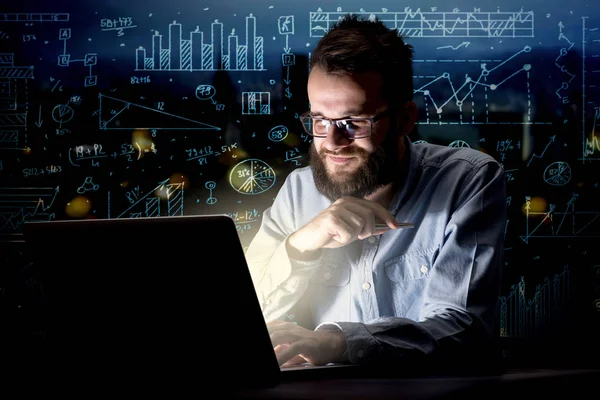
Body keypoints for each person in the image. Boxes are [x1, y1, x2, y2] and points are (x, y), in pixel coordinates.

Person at [245, 14, 506, 371]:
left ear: (405, 119)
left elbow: (462, 329)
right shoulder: (298, 190)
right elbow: (250, 318)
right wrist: (299, 247)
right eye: (319, 120)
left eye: (354, 123)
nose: (332, 142)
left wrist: (337, 343)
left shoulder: (467, 179)